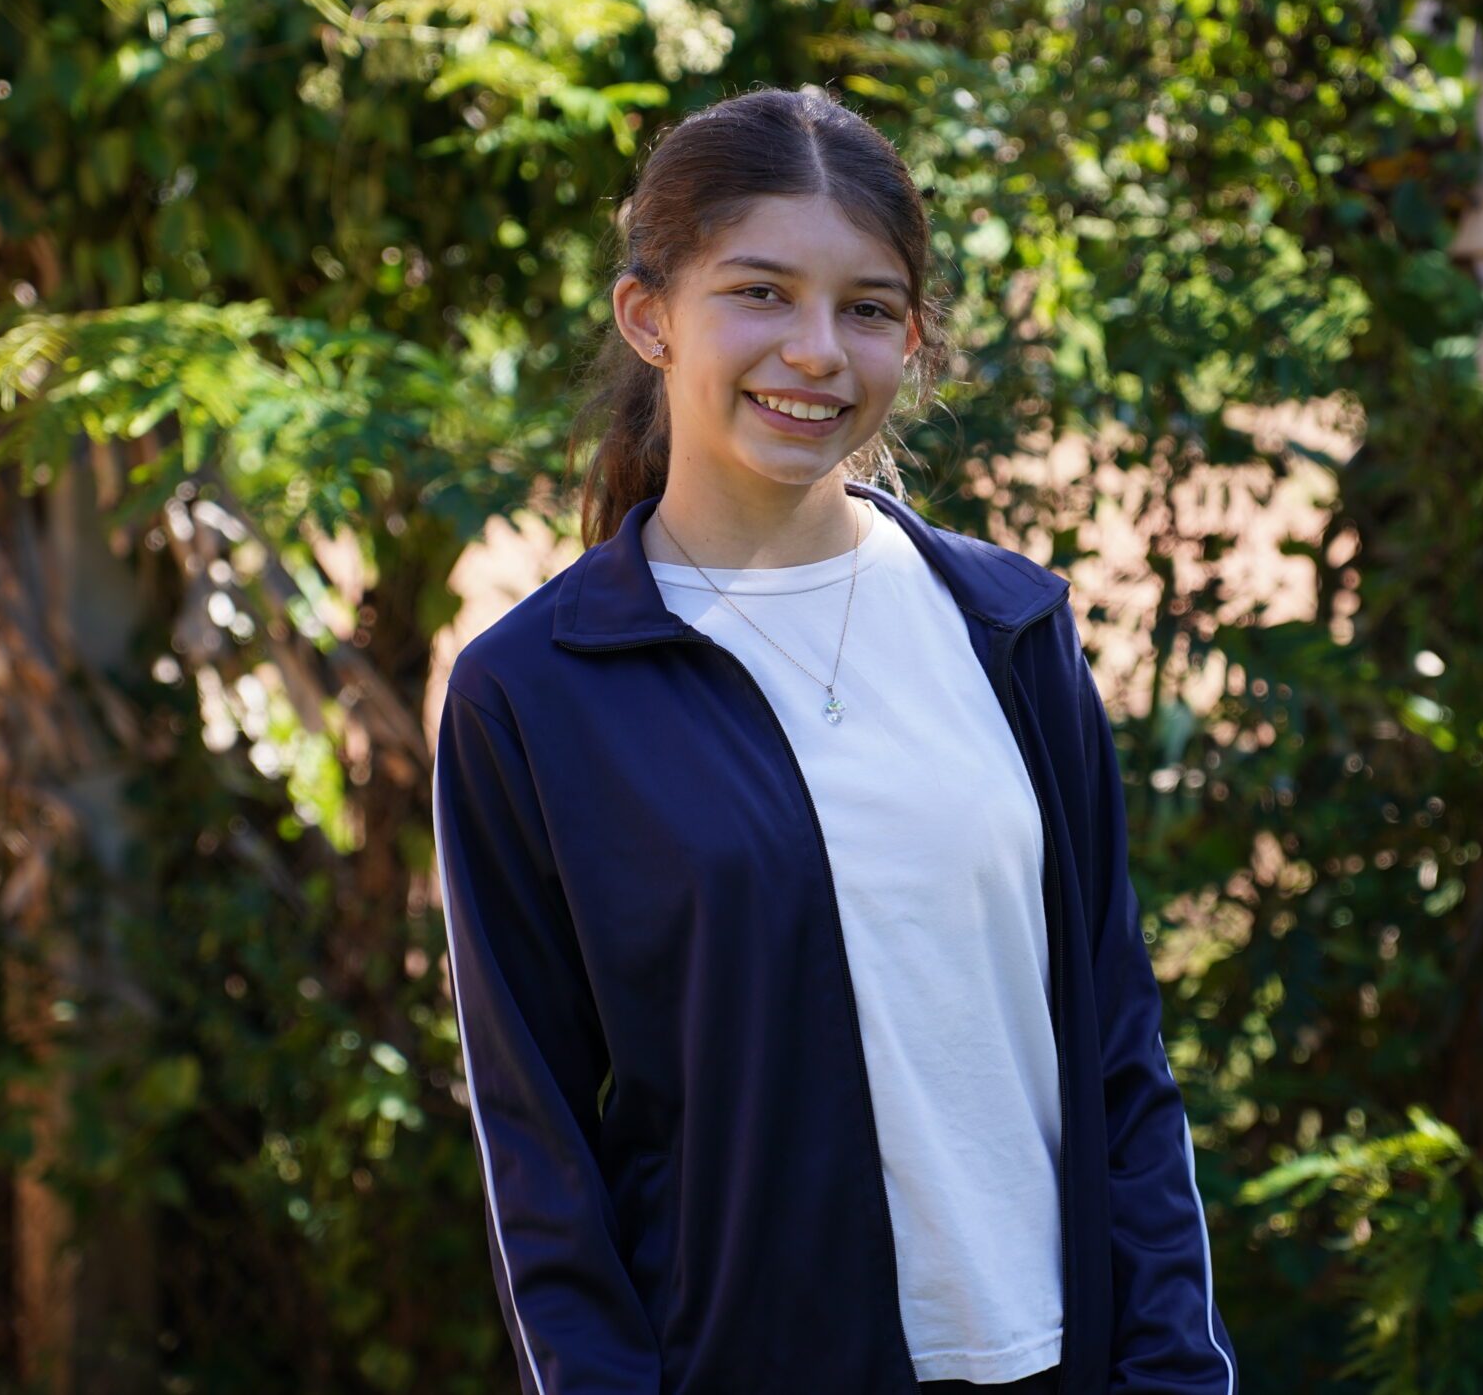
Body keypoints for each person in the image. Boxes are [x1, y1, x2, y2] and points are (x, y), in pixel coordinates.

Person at [429, 85, 1238, 1395]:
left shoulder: (1009, 628)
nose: (816, 350)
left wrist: (1173, 1373)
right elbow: (540, 1164)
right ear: (649, 316)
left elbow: (1119, 1064)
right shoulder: (536, 695)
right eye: (760, 292)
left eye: (865, 308)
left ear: (909, 340)